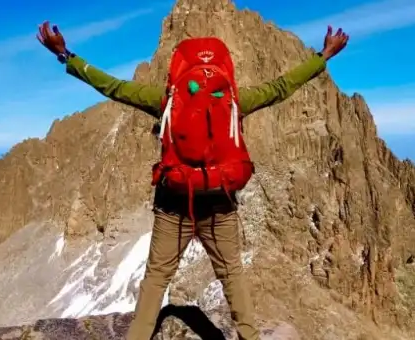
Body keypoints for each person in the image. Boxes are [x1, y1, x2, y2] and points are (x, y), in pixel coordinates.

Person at [37, 21, 349, 340]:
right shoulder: (235, 101)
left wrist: (66, 55)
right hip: (219, 202)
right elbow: (282, 86)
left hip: (174, 202)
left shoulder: (165, 100)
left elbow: (112, 86)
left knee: (157, 278)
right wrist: (323, 55)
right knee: (232, 275)